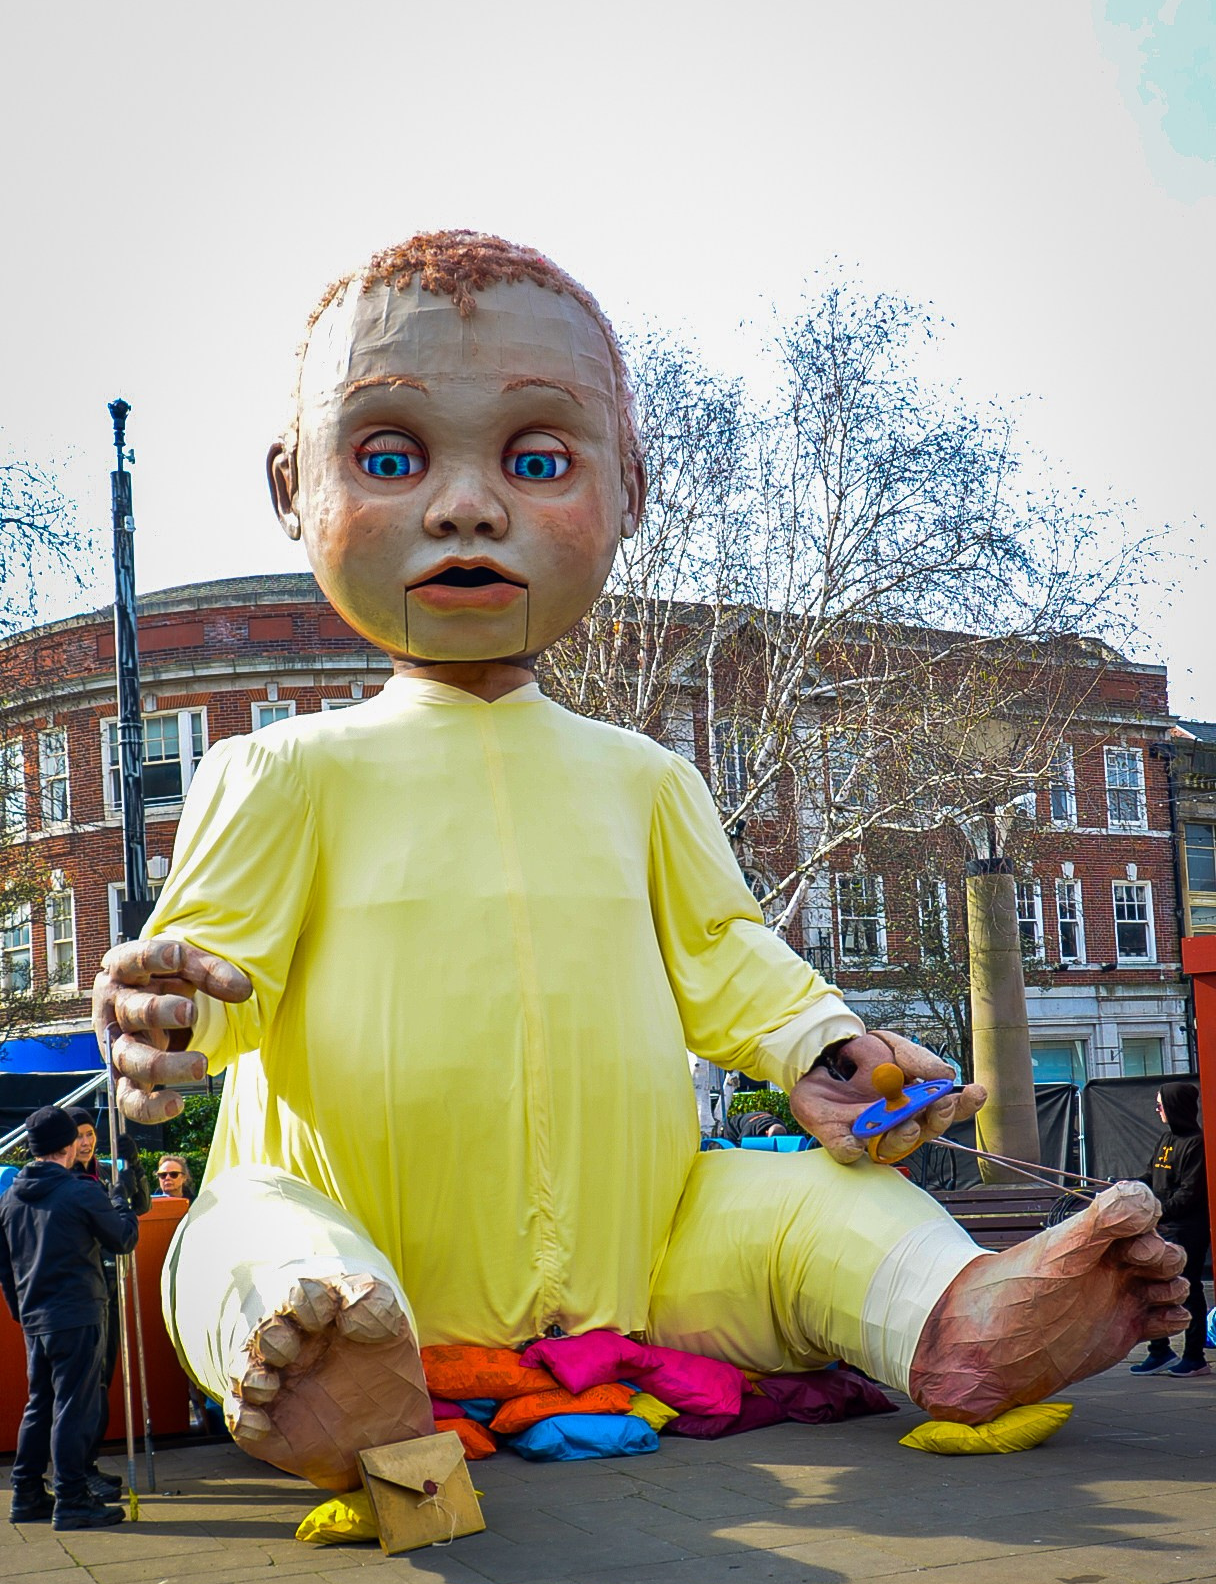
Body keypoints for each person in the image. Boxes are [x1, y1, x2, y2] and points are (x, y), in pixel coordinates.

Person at [92, 232, 1188, 1493]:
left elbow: (723, 954)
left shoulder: (646, 777)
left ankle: (960, 1317)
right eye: (388, 457)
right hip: (361, 1226)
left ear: (628, 490)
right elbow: (219, 983)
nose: (463, 506)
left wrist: (824, 1054)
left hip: (652, 1247)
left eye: (538, 460)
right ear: (294, 488)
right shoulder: (279, 770)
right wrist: (163, 1017)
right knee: (248, 1235)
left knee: (825, 1209)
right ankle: (337, 1360)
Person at [0, 1106, 139, 1528]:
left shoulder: (10, 1197)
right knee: (73, 1408)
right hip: (77, 1311)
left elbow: (5, 1266)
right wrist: (122, 1203)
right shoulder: (80, 1190)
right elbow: (122, 1239)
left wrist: (20, 1311)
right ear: (65, 1146)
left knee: (40, 1404)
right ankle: (73, 1498)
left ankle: (26, 1495)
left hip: (36, 1315)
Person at [70, 1109, 150, 1501]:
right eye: (78, 1136)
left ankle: (89, 1465)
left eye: (89, 1134)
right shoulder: (68, 1182)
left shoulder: (100, 1175)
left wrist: (133, 1166)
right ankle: (79, 1472)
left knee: (104, 1379)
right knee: (88, 1385)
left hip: (109, 1287)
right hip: (83, 1290)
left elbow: (141, 1207)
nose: (86, 1142)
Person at [1132, 1082, 1210, 1376]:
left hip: (1186, 1229)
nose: (1157, 1110)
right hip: (1163, 1227)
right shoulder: (1165, 1139)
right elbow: (1152, 1176)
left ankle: (1194, 1356)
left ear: (1175, 1106)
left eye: (1161, 1104)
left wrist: (1158, 1212)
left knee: (1188, 1289)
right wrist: (1129, 1187)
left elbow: (1190, 1192)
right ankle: (1159, 1350)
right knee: (1152, 1288)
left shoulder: (1196, 1143)